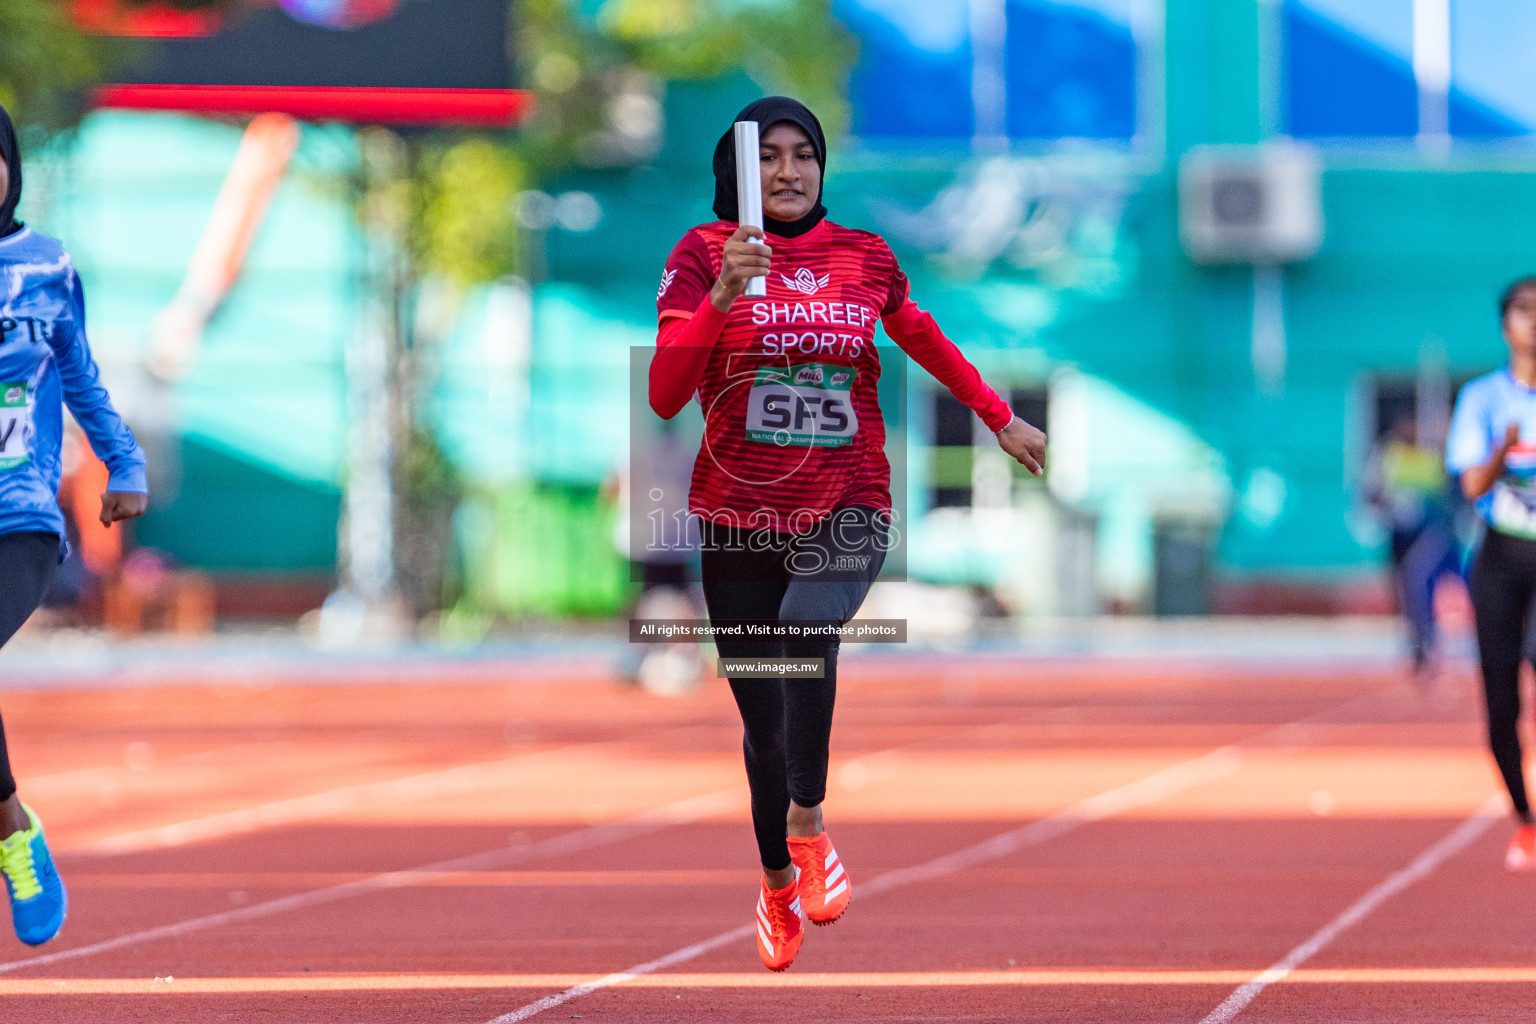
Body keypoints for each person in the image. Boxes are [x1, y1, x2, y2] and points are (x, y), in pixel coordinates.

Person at [648, 97, 1046, 970]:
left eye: (805, 156)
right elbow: (665, 393)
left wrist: (999, 417)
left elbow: (921, 333)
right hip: (737, 513)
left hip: (848, 499)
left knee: (805, 632)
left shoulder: (863, 255)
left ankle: (810, 824)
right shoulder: (702, 255)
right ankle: (775, 884)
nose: (789, 172)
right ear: (737, 175)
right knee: (762, 729)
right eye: (770, 158)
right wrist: (722, 296)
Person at [0, 104, 148, 943]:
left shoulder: (45, 265)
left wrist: (123, 465)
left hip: (16, 513)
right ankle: (13, 827)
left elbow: (81, 374)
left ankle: (15, 836)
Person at [1446, 275, 1536, 871]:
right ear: (1506, 325)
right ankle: (1525, 821)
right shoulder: (1482, 399)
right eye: (1525, 310)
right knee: (1500, 701)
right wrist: (1503, 452)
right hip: (1501, 559)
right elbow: (1471, 485)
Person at [1361, 413, 1460, 678]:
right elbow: (1369, 493)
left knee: (1420, 584)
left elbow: (1451, 495)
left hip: (1433, 536)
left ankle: (1427, 642)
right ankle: (1418, 643)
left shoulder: (1434, 455)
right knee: (1407, 592)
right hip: (1400, 537)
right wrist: (1389, 505)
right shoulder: (1387, 456)